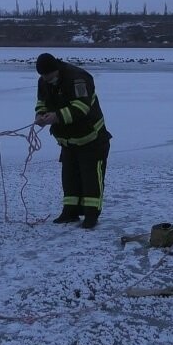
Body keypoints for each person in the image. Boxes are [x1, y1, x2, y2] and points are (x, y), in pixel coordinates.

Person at [34, 53, 112, 229]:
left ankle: (91, 215)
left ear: (56, 70)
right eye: (44, 77)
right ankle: (70, 211)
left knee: (91, 179)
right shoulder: (43, 81)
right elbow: (42, 101)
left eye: (50, 76)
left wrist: (56, 117)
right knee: (69, 178)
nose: (47, 79)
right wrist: (40, 114)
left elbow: (81, 107)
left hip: (92, 139)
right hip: (68, 141)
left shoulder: (78, 78)